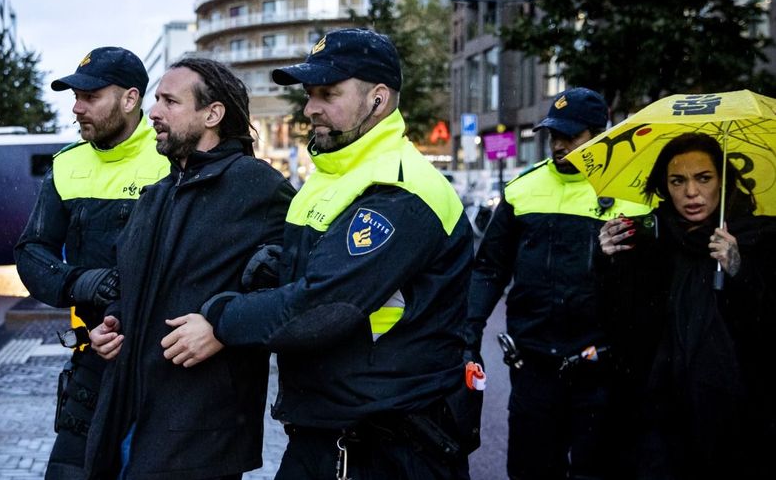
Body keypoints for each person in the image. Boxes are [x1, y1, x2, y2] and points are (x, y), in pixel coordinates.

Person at [161, 28, 476, 479]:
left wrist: (220, 318)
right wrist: (274, 266)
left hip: (389, 448)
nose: (311, 108)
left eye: (329, 93)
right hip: (325, 435)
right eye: (310, 94)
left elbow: (323, 308)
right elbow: (314, 278)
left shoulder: (399, 189)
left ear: (378, 99)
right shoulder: (333, 174)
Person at [85, 58, 294, 480]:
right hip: (128, 417)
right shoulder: (156, 195)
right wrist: (113, 320)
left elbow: (293, 292)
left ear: (212, 114)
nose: (154, 112)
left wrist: (222, 327)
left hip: (201, 433)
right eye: (155, 100)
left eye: (169, 101)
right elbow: (136, 285)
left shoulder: (260, 187)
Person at [465, 87, 651, 480]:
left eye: (571, 136)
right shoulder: (522, 190)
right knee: (530, 470)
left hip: (602, 368)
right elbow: (489, 269)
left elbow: (649, 285)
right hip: (534, 366)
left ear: (600, 135)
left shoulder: (632, 196)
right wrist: (470, 333)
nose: (560, 145)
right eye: (554, 136)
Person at [14, 47, 169, 480]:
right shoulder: (67, 164)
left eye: (90, 96)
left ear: (130, 99)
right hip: (90, 363)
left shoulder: (172, 160)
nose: (77, 107)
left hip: (162, 367)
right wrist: (82, 283)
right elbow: (31, 252)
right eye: (74, 96)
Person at [597, 132, 776, 479]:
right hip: (661, 421)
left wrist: (740, 271)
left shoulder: (760, 238)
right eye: (678, 181)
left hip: (738, 422)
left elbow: (766, 328)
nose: (691, 193)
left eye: (704, 178)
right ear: (664, 187)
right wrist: (605, 260)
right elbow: (617, 324)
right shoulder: (647, 242)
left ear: (723, 182)